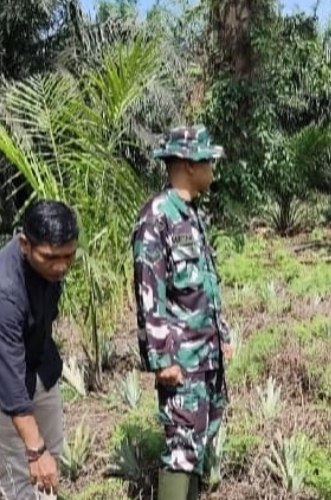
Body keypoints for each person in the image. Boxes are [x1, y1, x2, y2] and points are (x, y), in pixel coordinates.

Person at [131, 125, 234, 500]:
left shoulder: (190, 215)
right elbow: (149, 293)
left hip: (205, 358)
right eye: (209, 161)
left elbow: (205, 285)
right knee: (181, 451)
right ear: (190, 164)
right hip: (181, 360)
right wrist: (162, 359)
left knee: (198, 445)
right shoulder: (157, 217)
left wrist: (222, 337)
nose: (213, 170)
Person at [0, 200, 79, 500]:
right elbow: (9, 382)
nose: (61, 266)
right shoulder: (1, 292)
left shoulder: (50, 268)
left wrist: (42, 452)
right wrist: (34, 449)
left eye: (69, 256)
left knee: (50, 465)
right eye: (51, 257)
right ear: (24, 244)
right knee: (21, 477)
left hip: (39, 365)